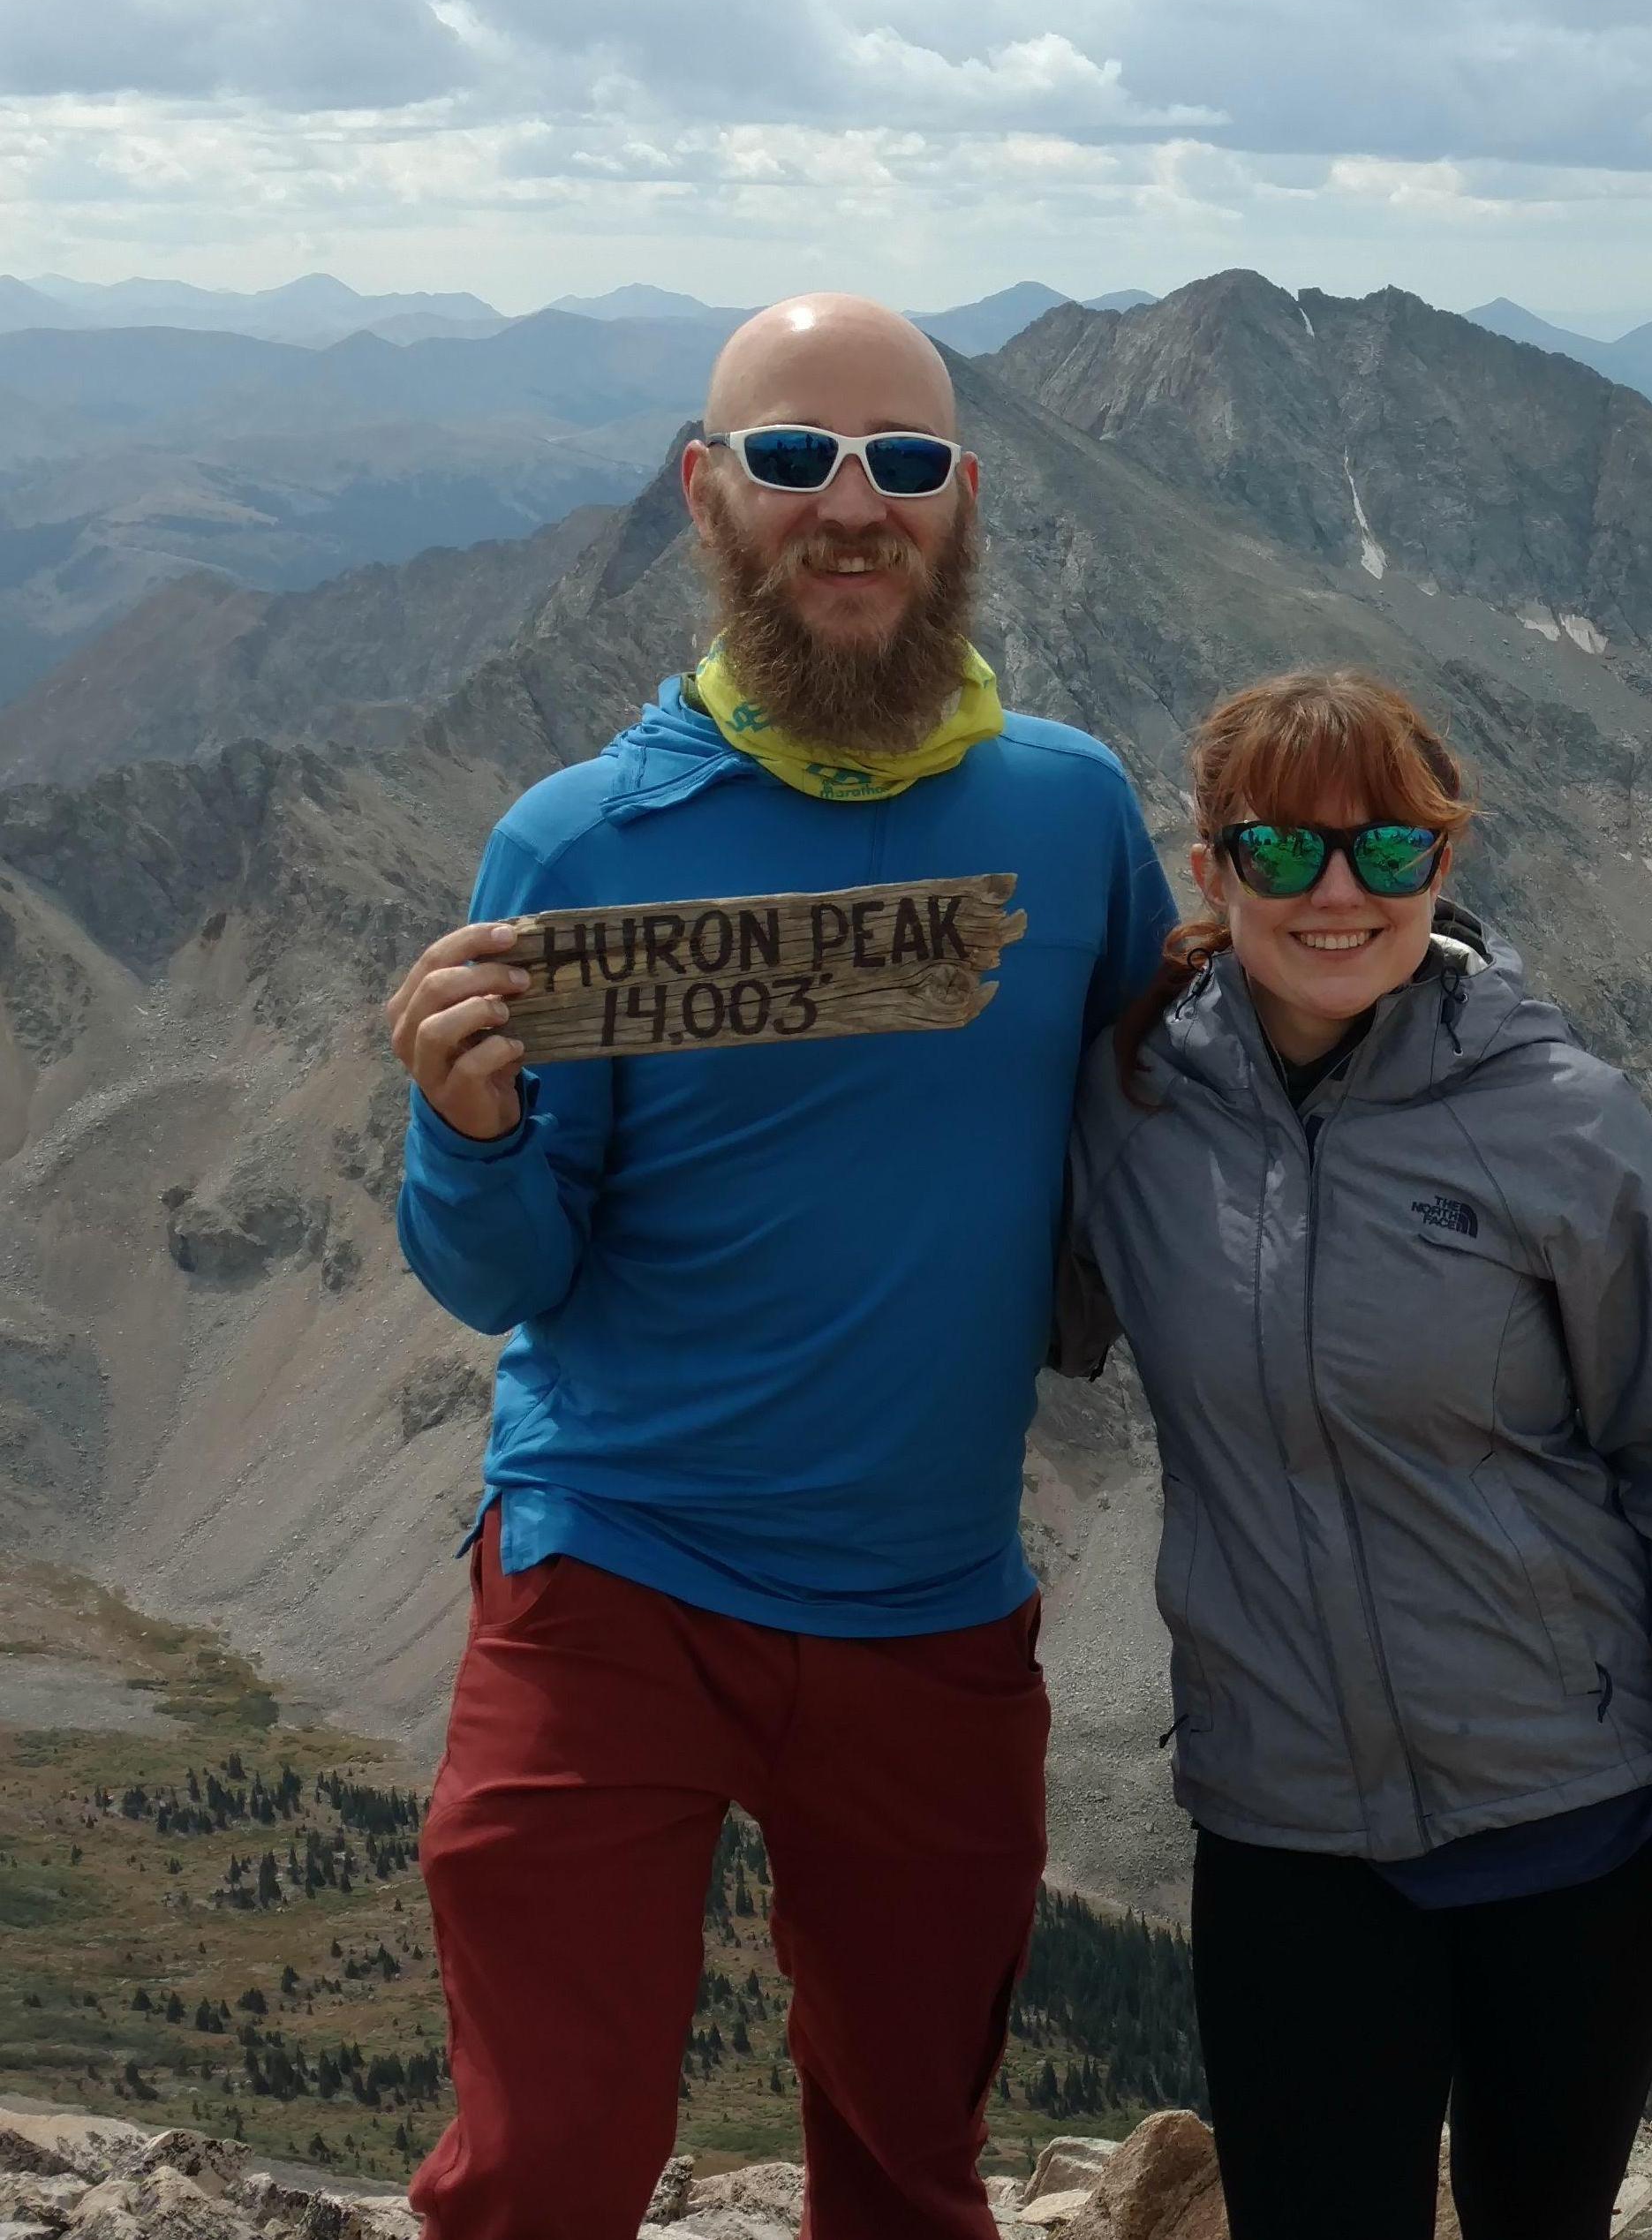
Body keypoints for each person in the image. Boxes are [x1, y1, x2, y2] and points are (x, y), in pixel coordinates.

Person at [384, 294, 1174, 2240]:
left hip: (929, 1600)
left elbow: (1187, 1086)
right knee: (546, 2163)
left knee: (911, 2167)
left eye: (901, 463)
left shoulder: (1070, 812)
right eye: (796, 459)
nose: (852, 504)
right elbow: (503, 1273)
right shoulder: (573, 846)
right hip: (615, 1573)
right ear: (704, 493)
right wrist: (465, 1130)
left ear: (961, 499)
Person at [1059, 669, 1652, 2240]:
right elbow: (997, 1310)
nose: (1339, 892)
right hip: (1289, 1830)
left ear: (1441, 870)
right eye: (1284, 853)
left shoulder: (1563, 1123)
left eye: (1388, 853)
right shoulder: (1127, 1111)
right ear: (1211, 870)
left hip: (1580, 1822)